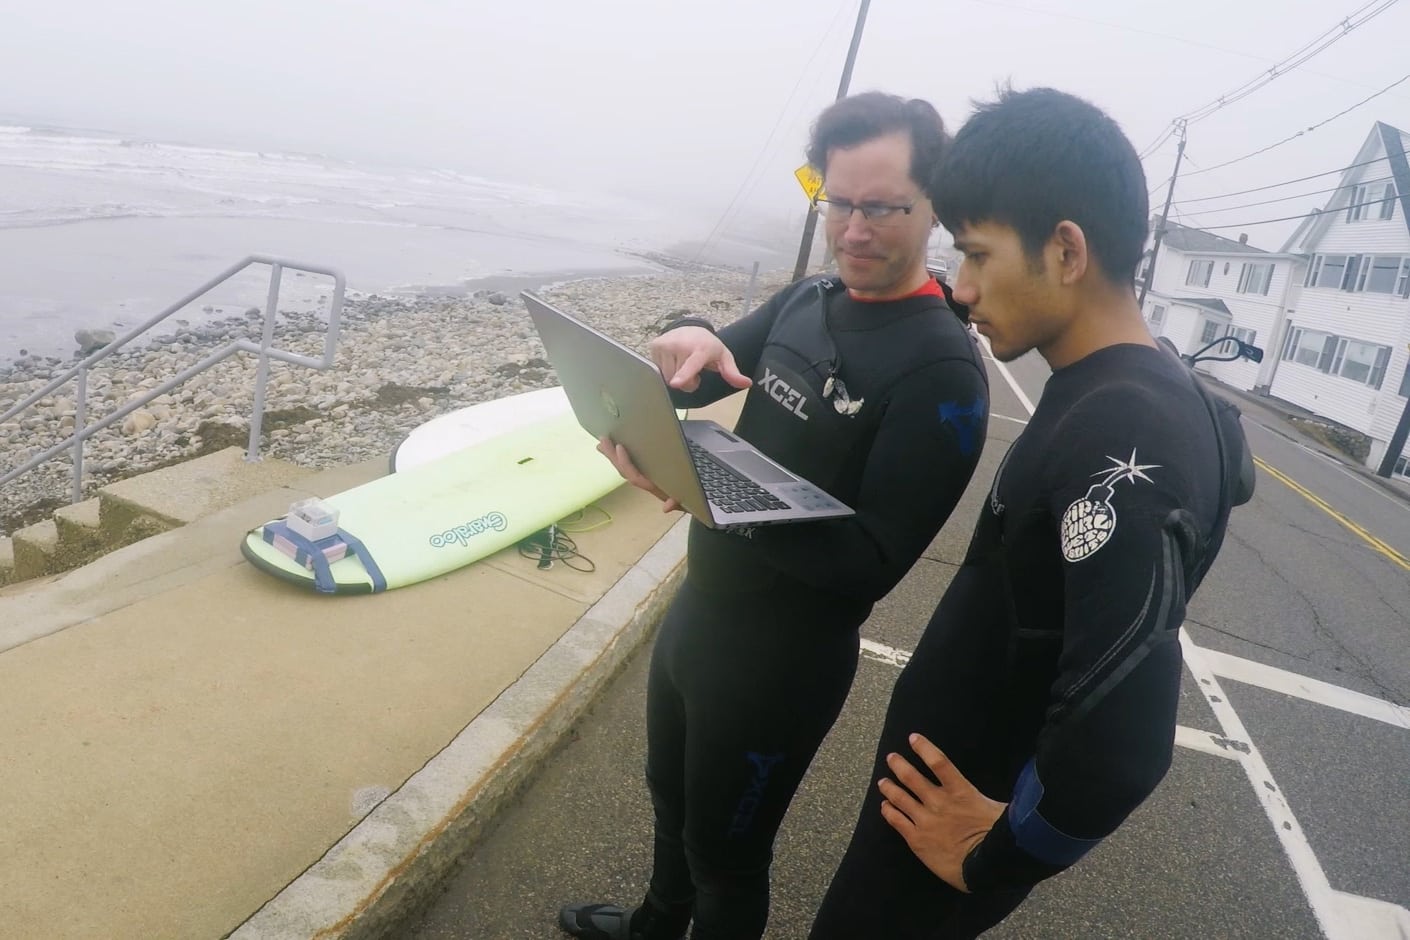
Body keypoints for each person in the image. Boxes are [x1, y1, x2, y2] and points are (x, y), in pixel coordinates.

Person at [807, 85, 1251, 939]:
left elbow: (1123, 747)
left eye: (977, 255)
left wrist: (999, 854)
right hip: (943, 798)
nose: (962, 288)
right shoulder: (1143, 383)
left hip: (948, 831)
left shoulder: (1124, 428)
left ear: (1067, 250)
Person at [557, 91, 992, 940]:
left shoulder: (942, 372)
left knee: (728, 857)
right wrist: (686, 332)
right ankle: (653, 925)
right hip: (700, 616)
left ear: (934, 204)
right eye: (839, 203)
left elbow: (872, 561)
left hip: (780, 669)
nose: (855, 229)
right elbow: (713, 365)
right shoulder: (810, 301)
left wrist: (713, 496)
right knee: (668, 797)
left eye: (883, 208)